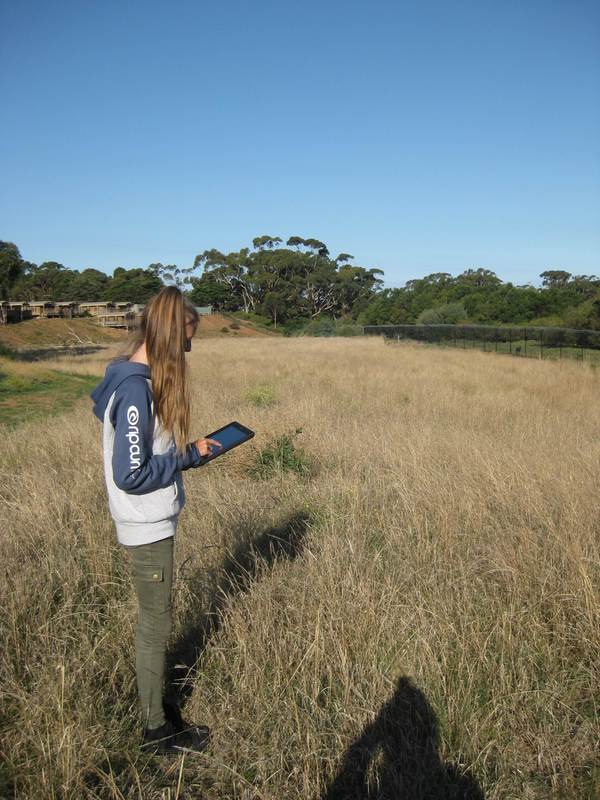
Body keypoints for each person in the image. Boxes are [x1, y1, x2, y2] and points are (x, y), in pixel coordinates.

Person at [89, 286, 221, 755]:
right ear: (168, 333)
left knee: (155, 618)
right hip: (145, 525)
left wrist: (187, 455)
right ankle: (155, 730)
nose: (189, 347)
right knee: (155, 623)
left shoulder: (129, 382)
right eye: (187, 337)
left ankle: (155, 705)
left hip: (150, 521)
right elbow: (132, 473)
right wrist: (188, 457)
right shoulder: (134, 390)